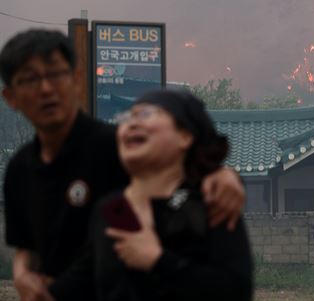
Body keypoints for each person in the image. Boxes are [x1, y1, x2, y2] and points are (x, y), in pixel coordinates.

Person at [0, 29, 246, 301]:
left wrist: (223, 174)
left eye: (56, 74)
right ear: (11, 97)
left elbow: (172, 171)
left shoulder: (114, 148)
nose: (46, 89)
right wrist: (22, 272)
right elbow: (33, 249)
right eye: (30, 79)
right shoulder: (21, 170)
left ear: (77, 79)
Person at [51, 90, 253, 300]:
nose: (132, 124)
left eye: (146, 114)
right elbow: (80, 282)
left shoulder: (212, 201)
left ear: (184, 136)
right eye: (127, 117)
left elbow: (236, 290)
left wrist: (157, 260)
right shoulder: (110, 208)